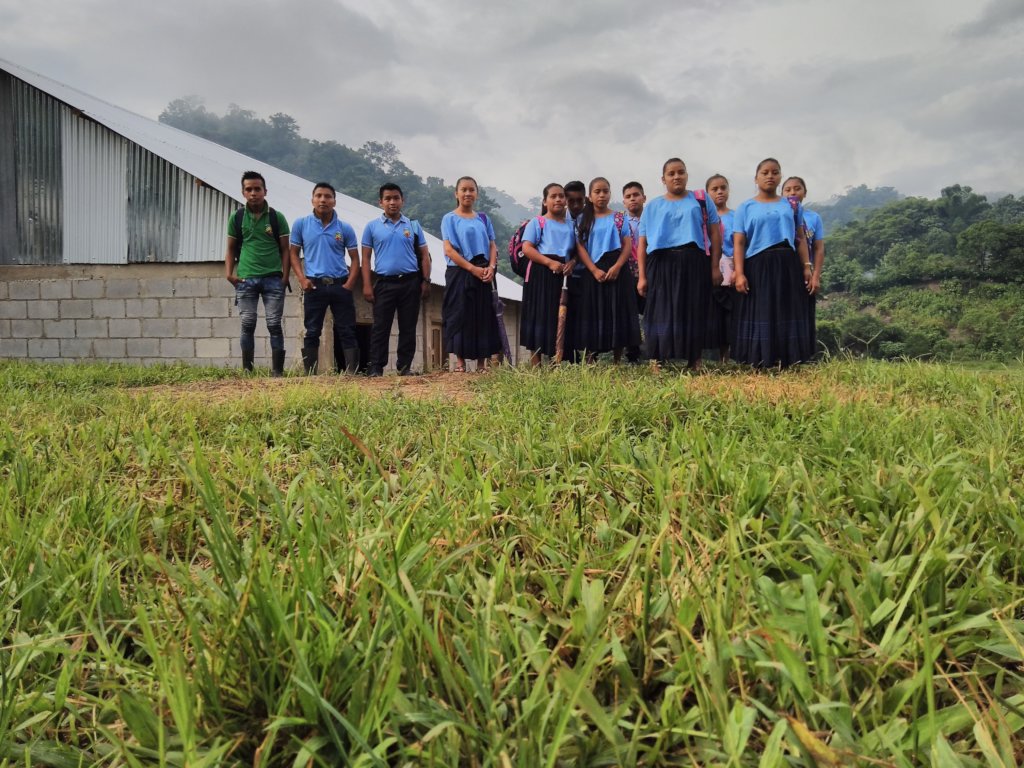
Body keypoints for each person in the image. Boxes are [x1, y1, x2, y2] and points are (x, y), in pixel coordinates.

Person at [636, 158, 722, 369]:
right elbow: (642, 242)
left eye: (680, 172)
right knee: (659, 310)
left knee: (693, 307)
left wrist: (714, 266)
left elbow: (715, 233)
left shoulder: (701, 200)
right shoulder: (653, 206)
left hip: (693, 259)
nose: (676, 177)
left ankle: (694, 360)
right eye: (671, 174)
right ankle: (657, 360)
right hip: (660, 262)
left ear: (686, 175)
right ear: (663, 179)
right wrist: (642, 276)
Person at [732, 159, 815, 368]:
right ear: (756, 178)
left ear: (780, 176)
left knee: (786, 307)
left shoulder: (791, 205)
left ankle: (788, 359)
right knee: (761, 308)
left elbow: (800, 237)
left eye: (775, 172)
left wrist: (806, 266)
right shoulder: (745, 207)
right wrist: (739, 273)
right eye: (765, 172)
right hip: (757, 263)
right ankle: (759, 359)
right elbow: (739, 242)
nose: (770, 176)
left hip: (787, 261)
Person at [289, 182, 361, 375]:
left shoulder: (345, 228)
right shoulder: (301, 224)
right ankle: (310, 374)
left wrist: (350, 284)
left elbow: (355, 259)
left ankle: (351, 373)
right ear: (312, 199)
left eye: (328, 196)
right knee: (312, 331)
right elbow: (293, 254)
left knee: (347, 330)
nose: (323, 200)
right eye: (319, 195)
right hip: (314, 286)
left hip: (340, 285)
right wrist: (302, 279)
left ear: (334, 201)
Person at [361, 183, 431, 377]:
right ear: (381, 202)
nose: (392, 202)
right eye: (388, 199)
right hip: (384, 283)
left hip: (410, 282)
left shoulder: (413, 226)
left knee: (408, 327)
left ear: (402, 200)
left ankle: (404, 367)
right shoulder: (372, 227)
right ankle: (376, 367)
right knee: (380, 327)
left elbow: (425, 255)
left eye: (396, 198)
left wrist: (426, 281)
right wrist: (367, 285)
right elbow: (365, 258)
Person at [224, 171, 290, 376]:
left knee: (273, 324)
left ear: (265, 191)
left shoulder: (276, 217)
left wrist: (285, 277)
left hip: (273, 279)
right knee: (247, 323)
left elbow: (286, 250)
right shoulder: (237, 217)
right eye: (249, 189)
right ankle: (247, 370)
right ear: (243, 192)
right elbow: (231, 249)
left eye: (257, 189)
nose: (253, 193)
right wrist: (229, 274)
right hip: (245, 280)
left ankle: (277, 372)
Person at [439, 176, 502, 372]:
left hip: (484, 272)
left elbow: (492, 245)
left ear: (477, 193)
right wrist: (471, 269)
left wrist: (491, 268)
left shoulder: (483, 218)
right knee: (460, 314)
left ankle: (482, 364)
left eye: (471, 190)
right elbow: (449, 250)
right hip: (460, 272)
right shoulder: (449, 218)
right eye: (463, 190)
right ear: (456, 193)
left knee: (483, 315)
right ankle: (460, 363)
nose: (467, 193)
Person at [574, 177, 640, 362]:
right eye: (597, 191)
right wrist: (593, 270)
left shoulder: (620, 217)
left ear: (610, 194)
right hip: (593, 269)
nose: (602, 195)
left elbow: (627, 244)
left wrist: (618, 266)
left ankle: (617, 359)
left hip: (617, 268)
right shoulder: (582, 219)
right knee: (592, 312)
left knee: (617, 311)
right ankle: (590, 358)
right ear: (589, 196)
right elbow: (580, 247)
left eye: (605, 191)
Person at [520, 183, 578, 365]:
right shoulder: (537, 222)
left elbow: (578, 250)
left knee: (561, 316)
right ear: (545, 201)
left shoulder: (572, 225)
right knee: (539, 315)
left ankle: (557, 361)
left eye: (561, 196)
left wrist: (572, 262)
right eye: (553, 196)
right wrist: (549, 262)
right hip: (541, 273)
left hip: (565, 275)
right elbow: (527, 248)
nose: (558, 199)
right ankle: (536, 363)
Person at [781, 175, 825, 355]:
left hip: (805, 270)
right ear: (781, 194)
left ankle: (803, 354)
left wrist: (816, 275)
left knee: (803, 311)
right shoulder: (780, 214)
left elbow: (818, 248)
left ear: (804, 193)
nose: (793, 192)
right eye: (788, 189)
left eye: (797, 188)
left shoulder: (813, 217)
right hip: (784, 268)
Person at [705, 173, 736, 362]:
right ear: (707, 193)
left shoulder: (737, 216)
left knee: (730, 312)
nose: (719, 192)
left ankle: (727, 356)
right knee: (711, 312)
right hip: (710, 268)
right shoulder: (703, 217)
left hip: (732, 269)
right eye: (714, 189)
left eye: (723, 188)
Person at [622, 180, 647, 363]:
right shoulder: (620, 222)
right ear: (624, 201)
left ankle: (656, 351)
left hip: (649, 272)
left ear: (643, 198)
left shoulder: (652, 219)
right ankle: (633, 355)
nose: (633, 199)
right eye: (628, 196)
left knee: (652, 311)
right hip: (628, 272)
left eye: (636, 195)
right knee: (630, 313)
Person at [563, 180, 588, 363]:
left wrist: (574, 260)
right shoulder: (559, 218)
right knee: (566, 315)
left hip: (586, 274)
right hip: (563, 276)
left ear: (585, 199)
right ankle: (570, 356)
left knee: (585, 316)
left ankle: (589, 355)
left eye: (580, 200)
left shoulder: (590, 218)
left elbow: (587, 246)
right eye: (571, 201)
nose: (576, 205)